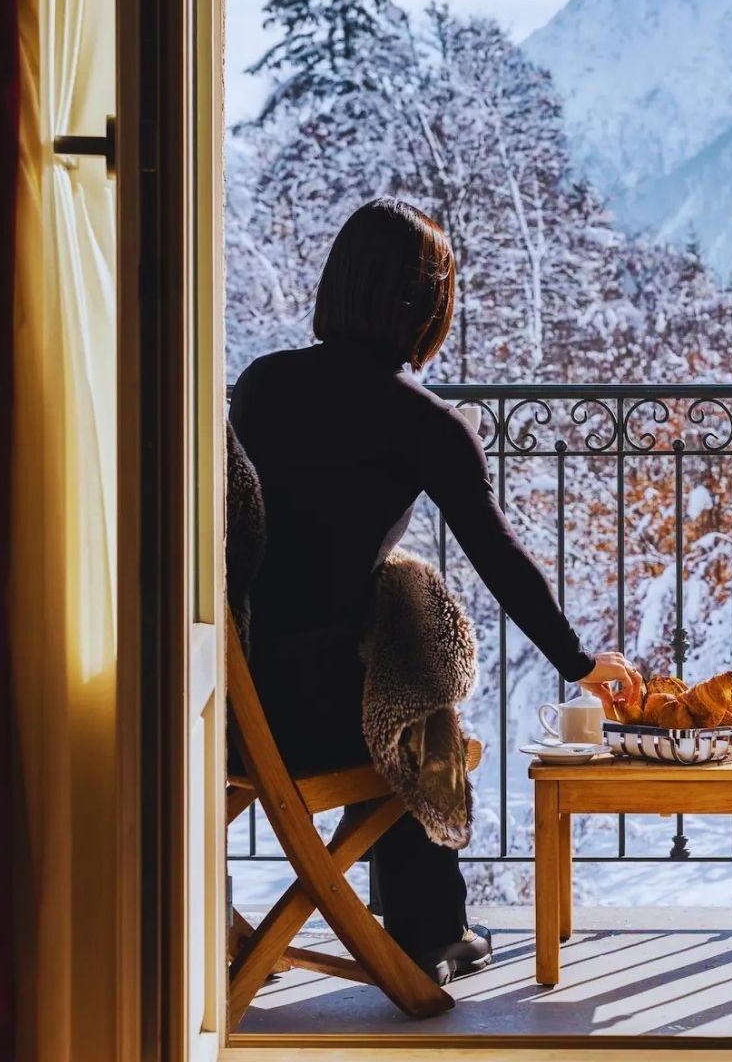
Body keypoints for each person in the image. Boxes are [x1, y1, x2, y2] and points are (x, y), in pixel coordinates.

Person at [230, 197, 644, 983]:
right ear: (426, 305)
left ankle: (422, 917)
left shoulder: (260, 385)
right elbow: (496, 553)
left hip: (231, 697)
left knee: (384, 650)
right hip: (319, 720)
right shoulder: (422, 421)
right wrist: (579, 661)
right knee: (419, 700)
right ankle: (431, 929)